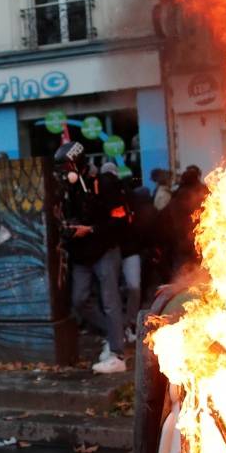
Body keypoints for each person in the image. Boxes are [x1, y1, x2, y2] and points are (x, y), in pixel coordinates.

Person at [56, 143, 127, 374]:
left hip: (104, 249)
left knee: (110, 301)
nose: (64, 171)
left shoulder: (104, 183)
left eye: (66, 165)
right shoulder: (69, 188)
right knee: (79, 300)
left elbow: (120, 219)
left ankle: (118, 355)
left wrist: (92, 229)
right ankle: (114, 332)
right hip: (81, 253)